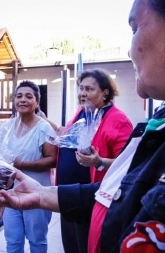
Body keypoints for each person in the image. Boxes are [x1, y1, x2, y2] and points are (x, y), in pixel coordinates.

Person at [0, 0, 165, 252]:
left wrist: (98, 162)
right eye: (80, 88)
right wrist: (44, 194)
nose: (130, 49)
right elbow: (123, 190)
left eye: (135, 28)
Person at [41, 68, 133, 253]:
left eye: (89, 89)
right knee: (71, 246)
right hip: (69, 195)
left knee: (86, 246)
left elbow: (128, 165)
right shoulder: (82, 112)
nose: (83, 93)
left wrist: (100, 162)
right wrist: (42, 119)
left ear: (105, 93)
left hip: (91, 199)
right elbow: (67, 136)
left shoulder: (118, 120)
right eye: (81, 88)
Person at [0, 80, 57, 253]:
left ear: (37, 102)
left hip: (37, 192)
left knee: (36, 239)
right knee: (12, 239)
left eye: (29, 96)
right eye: (19, 96)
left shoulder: (44, 128)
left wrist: (22, 164)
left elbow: (53, 159)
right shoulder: (5, 128)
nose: (23, 100)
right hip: (10, 192)